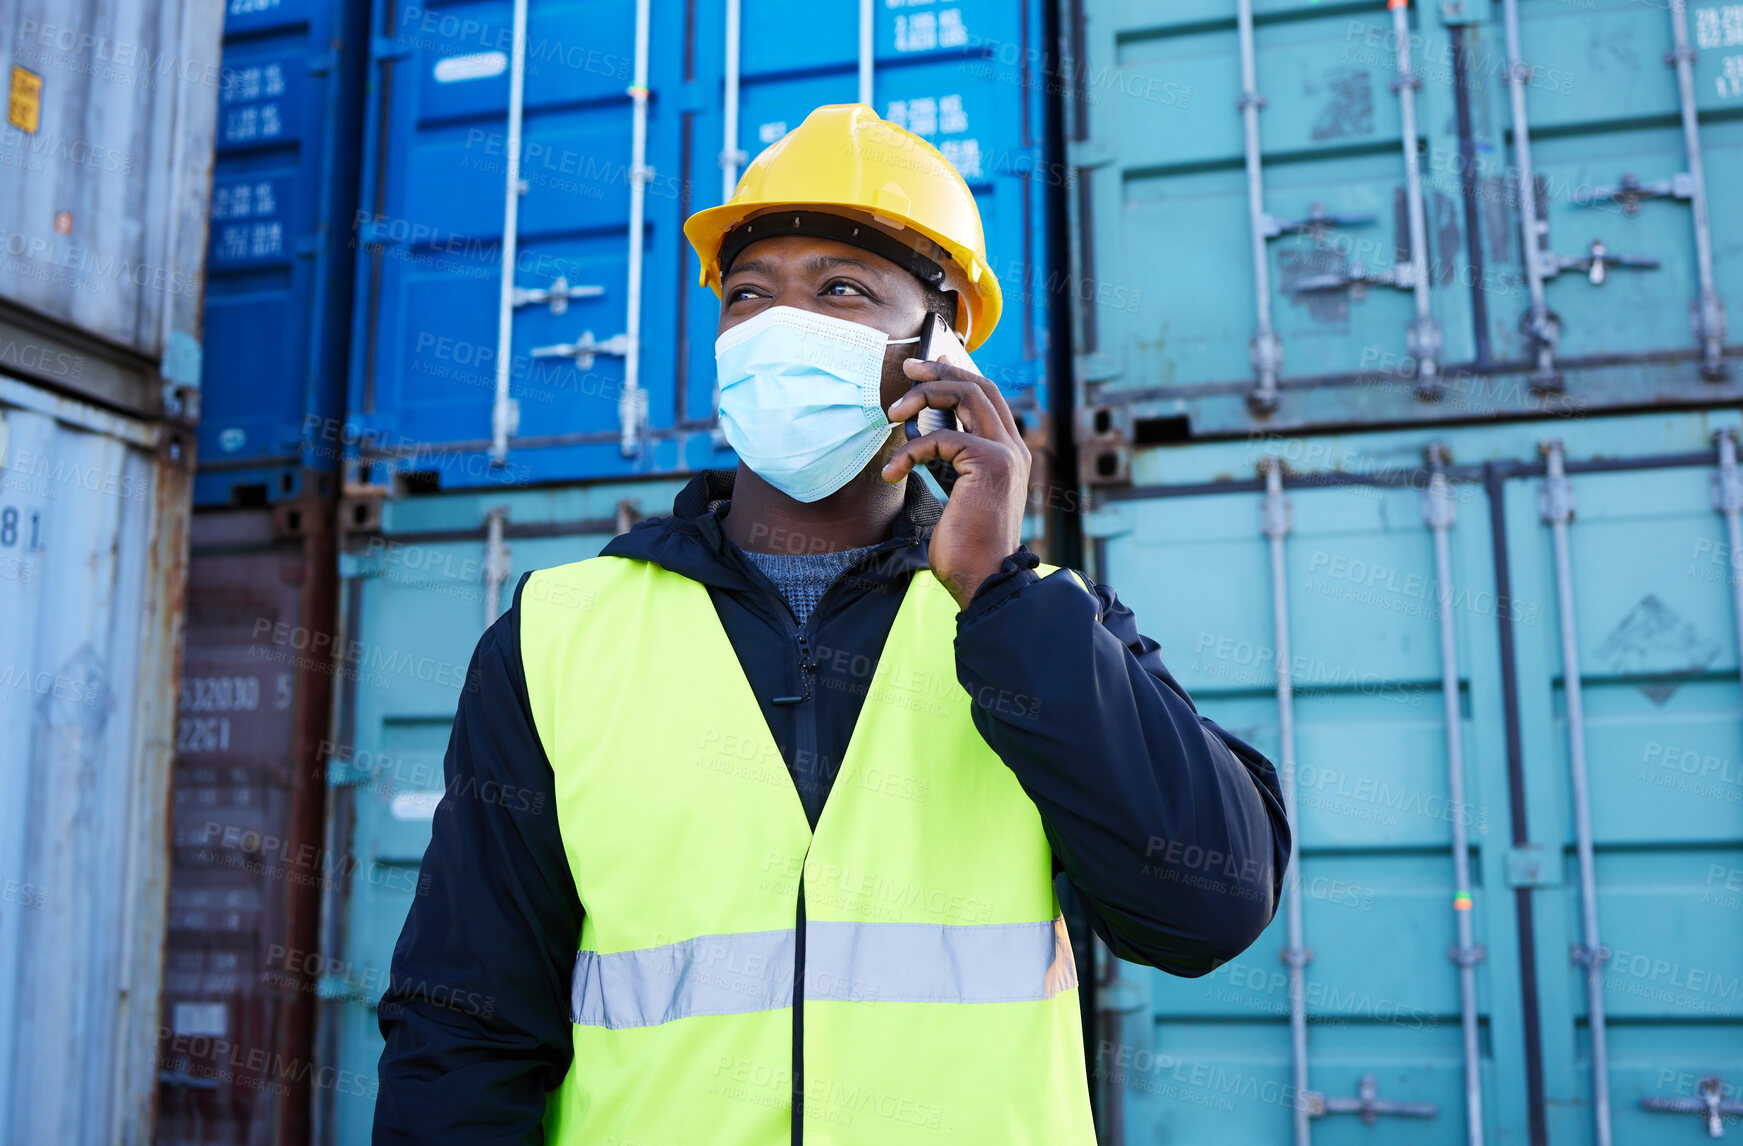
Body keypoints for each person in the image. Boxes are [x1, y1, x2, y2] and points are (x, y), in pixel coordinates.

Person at [375, 103, 1290, 1145]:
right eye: (748, 296)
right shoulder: (557, 637)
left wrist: (998, 589)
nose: (777, 328)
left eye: (842, 290)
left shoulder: (1045, 625)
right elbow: (464, 1031)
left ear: (940, 347)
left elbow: (1209, 910)